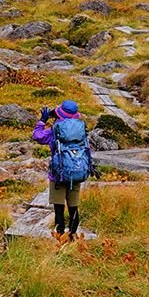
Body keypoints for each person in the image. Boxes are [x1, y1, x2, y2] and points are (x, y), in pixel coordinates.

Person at [33, 99, 94, 242]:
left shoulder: (56, 130)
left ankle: (60, 238)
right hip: (77, 172)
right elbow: (87, 149)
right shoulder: (81, 130)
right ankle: (72, 237)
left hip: (58, 174)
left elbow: (37, 136)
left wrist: (42, 121)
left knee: (59, 209)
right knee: (74, 208)